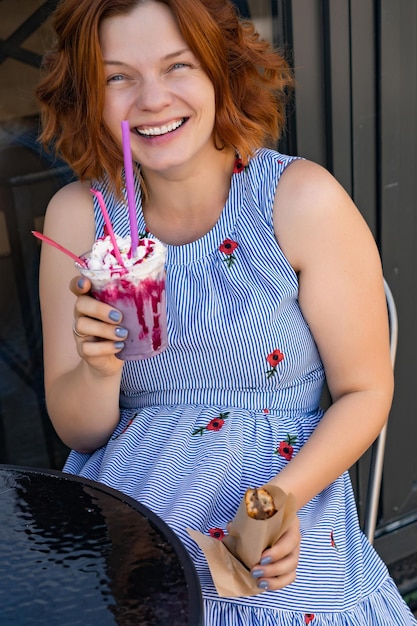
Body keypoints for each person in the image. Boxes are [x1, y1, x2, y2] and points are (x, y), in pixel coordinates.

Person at [35, 0, 416, 624]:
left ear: (221, 70)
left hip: (279, 497)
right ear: (88, 95)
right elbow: (80, 432)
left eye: (177, 65)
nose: (152, 99)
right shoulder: (79, 217)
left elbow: (366, 388)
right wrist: (99, 370)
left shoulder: (301, 202)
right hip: (132, 518)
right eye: (117, 76)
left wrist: (279, 503)